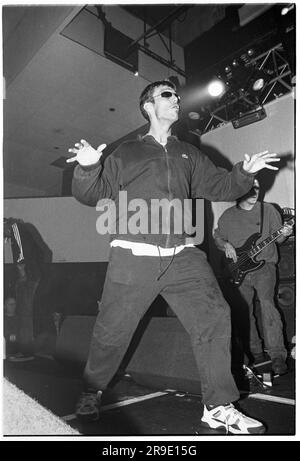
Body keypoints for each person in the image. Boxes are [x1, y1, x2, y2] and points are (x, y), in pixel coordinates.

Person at [68, 80, 280, 434]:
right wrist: (88, 167)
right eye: (168, 95)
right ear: (148, 106)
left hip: (183, 255)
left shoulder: (189, 153)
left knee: (215, 315)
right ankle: (92, 389)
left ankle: (218, 406)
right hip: (134, 256)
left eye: (176, 96)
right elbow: (93, 193)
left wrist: (245, 173)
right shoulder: (127, 152)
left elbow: (220, 187)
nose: (176, 100)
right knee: (111, 332)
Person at [214, 179, 293, 375]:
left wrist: (286, 231)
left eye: (257, 187)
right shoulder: (227, 216)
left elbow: (280, 238)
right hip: (237, 270)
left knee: (267, 305)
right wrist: (225, 245)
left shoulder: (268, 210)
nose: (255, 191)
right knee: (243, 311)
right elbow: (218, 237)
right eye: (250, 188)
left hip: (263, 266)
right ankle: (255, 352)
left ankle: (277, 356)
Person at [4, 218, 43, 358]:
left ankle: (26, 349)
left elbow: (21, 249)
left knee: (25, 313)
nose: (5, 238)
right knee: (25, 312)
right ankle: (26, 348)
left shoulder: (15, 227)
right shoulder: (21, 229)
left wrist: (22, 270)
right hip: (30, 275)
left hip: (27, 275)